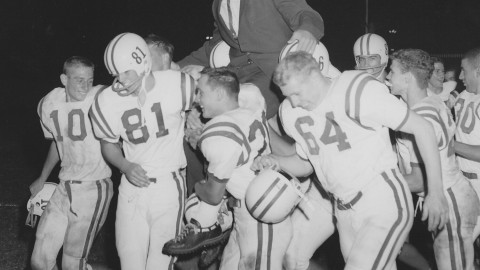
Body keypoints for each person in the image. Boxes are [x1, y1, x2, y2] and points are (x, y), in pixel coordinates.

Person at [252, 51, 450, 269]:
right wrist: (276, 161)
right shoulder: (291, 112)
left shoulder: (355, 89)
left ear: (314, 76)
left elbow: (422, 127)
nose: (294, 102)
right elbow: (307, 164)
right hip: (343, 211)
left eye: (297, 93)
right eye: (288, 96)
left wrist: (436, 191)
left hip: (381, 201)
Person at [179, 0, 325, 194]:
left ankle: (231, 192)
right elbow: (213, 46)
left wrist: (307, 31)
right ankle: (199, 196)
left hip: (270, 73)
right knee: (189, 116)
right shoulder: (218, 4)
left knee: (217, 116)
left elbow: (305, 14)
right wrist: (175, 68)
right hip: (238, 73)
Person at [164, 68, 292, 270]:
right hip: (246, 211)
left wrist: (198, 186)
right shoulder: (251, 109)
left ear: (219, 94)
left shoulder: (218, 132)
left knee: (195, 203)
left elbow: (213, 195)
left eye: (201, 92)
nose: (197, 100)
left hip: (261, 216)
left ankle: (210, 230)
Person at [89, 32, 195, 270]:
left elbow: (205, 103)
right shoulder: (107, 101)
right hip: (131, 187)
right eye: (116, 74)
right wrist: (125, 166)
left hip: (168, 184)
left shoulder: (178, 84)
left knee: (160, 263)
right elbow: (108, 143)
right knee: (129, 261)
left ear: (144, 62)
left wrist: (195, 114)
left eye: (126, 71)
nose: (122, 80)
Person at [389, 48, 479, 270]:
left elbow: (419, 180)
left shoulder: (418, 117)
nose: (387, 77)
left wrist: (376, 182)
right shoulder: (433, 102)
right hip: (454, 192)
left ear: (408, 78)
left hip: (449, 199)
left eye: (392, 72)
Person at [30, 56, 113, 270]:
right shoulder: (50, 102)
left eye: (90, 80)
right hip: (64, 185)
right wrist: (42, 177)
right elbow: (58, 143)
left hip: (93, 187)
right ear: (64, 79)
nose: (86, 86)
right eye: (79, 80)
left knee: (72, 263)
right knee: (40, 259)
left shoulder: (101, 96)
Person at [454, 47, 480, 242]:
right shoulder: (464, 96)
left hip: (478, 183)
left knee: (457, 248)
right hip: (462, 181)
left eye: (464, 70)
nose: (460, 75)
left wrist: (449, 145)